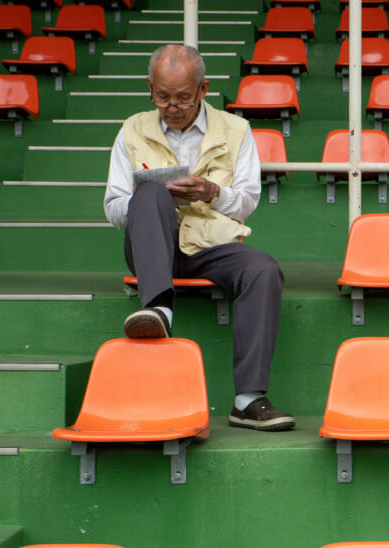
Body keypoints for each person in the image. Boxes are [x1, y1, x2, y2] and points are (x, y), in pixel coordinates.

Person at [103, 44, 294, 432]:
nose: (172, 107)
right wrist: (147, 200)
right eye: (162, 97)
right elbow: (112, 207)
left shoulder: (236, 130)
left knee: (263, 269)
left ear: (203, 89)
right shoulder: (131, 130)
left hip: (212, 246)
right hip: (151, 248)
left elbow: (246, 202)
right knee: (149, 193)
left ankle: (248, 399)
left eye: (183, 98)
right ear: (150, 88)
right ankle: (158, 310)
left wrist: (210, 192)